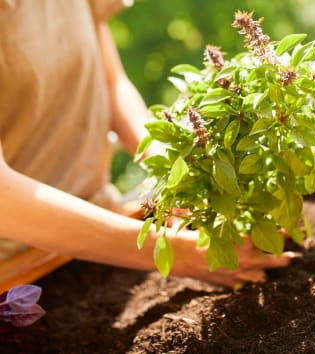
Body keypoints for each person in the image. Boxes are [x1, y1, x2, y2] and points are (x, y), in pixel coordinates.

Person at [0, 0, 292, 288]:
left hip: (102, 222)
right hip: (15, 277)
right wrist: (180, 255)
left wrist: (180, 177)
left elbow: (111, 82)